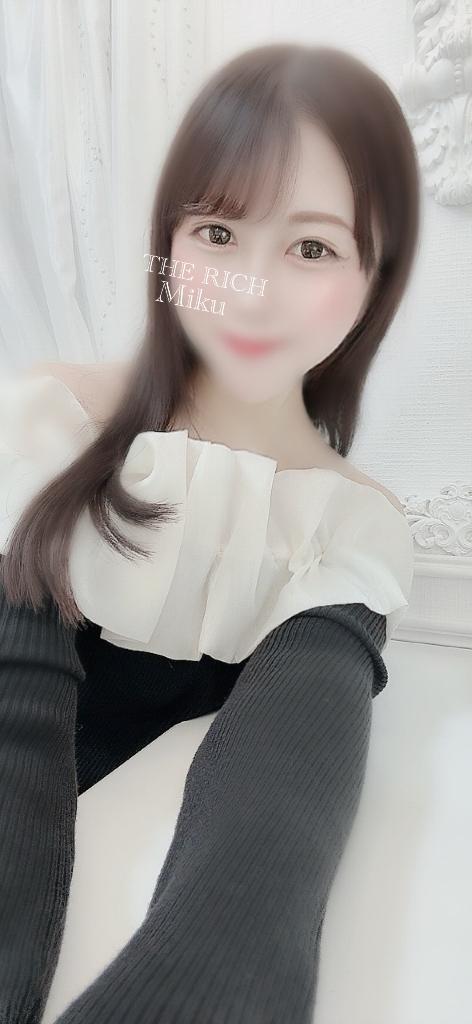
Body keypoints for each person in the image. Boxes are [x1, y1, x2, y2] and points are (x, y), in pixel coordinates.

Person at [0, 41, 418, 1024]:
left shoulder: (346, 529)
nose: (251, 289)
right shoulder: (53, 422)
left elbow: (265, 853)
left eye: (311, 248)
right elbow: (14, 721)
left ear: (377, 274)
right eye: (219, 231)